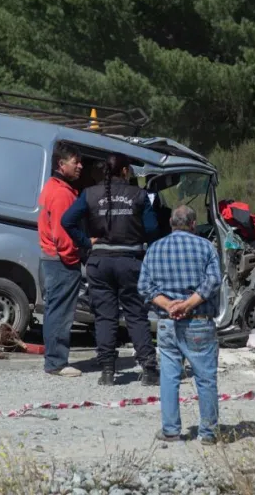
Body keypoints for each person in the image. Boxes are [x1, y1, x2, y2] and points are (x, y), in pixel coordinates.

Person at [61, 153, 160, 386]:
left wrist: (86, 242)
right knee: (136, 315)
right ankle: (148, 369)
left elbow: (67, 221)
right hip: (129, 262)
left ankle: (107, 371)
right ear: (125, 171)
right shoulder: (139, 195)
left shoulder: (90, 194)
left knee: (105, 317)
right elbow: (152, 228)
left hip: (100, 262)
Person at [138, 205, 222, 445]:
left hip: (167, 323)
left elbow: (144, 287)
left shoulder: (155, 248)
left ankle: (171, 430)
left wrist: (168, 305)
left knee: (169, 377)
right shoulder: (206, 247)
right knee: (205, 379)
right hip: (199, 322)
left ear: (171, 223)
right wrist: (188, 304)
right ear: (193, 224)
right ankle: (208, 433)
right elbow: (213, 281)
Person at [38, 143, 85, 377]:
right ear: (61, 164)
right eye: (75, 162)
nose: (80, 166)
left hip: (50, 258)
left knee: (54, 309)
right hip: (61, 261)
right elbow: (62, 233)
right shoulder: (61, 194)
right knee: (60, 312)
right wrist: (73, 257)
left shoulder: (52, 188)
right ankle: (56, 362)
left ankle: (54, 359)